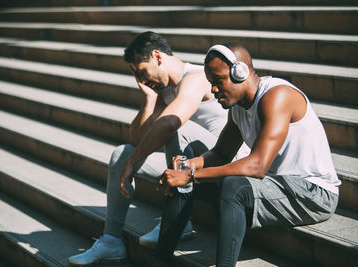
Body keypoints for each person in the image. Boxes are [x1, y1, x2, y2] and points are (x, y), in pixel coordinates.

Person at [68, 32, 248, 266]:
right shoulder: (164, 91)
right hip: (193, 163)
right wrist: (149, 100)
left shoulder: (196, 76)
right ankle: (111, 241)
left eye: (141, 72)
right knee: (121, 155)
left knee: (173, 128)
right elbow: (136, 139)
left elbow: (171, 122)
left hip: (225, 160)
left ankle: (179, 218)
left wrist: (134, 162)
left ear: (157, 56)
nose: (141, 80)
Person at [154, 43, 341, 267]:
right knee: (185, 173)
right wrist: (189, 166)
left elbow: (257, 166)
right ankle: (159, 261)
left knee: (234, 187)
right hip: (277, 185)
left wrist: (192, 175)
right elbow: (221, 153)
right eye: (211, 84)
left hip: (313, 193)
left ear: (239, 72)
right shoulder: (238, 108)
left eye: (218, 81)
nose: (213, 90)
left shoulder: (277, 96)